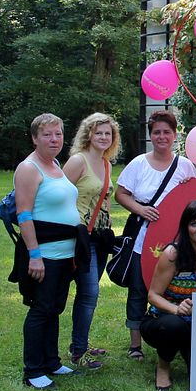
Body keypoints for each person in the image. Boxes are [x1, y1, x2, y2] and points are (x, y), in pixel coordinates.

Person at [115, 110, 196, 360]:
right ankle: (135, 344)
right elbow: (121, 194)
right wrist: (141, 209)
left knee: (174, 288)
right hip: (144, 239)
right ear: (150, 135)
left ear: (175, 135)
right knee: (139, 289)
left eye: (166, 132)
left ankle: (177, 332)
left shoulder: (184, 165)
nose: (161, 137)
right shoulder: (138, 163)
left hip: (175, 243)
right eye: (156, 132)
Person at [14, 113, 82, 389]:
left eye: (58, 134)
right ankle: (33, 370)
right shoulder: (29, 168)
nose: (54, 139)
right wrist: (34, 255)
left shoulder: (54, 164)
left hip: (66, 253)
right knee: (41, 310)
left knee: (54, 308)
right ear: (34, 138)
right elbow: (24, 214)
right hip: (45, 254)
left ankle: (52, 362)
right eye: (47, 134)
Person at [140, 199, 196, 391]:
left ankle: (191, 352)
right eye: (194, 223)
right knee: (174, 325)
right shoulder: (172, 254)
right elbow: (153, 296)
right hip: (161, 321)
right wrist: (176, 309)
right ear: (186, 227)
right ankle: (163, 367)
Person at [62, 112, 121, 370]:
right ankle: (78, 352)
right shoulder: (78, 161)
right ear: (88, 134)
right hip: (79, 237)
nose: (103, 137)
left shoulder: (107, 164)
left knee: (87, 295)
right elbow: (58, 195)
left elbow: (105, 198)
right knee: (90, 293)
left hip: (98, 238)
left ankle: (79, 345)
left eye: (108, 133)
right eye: (99, 132)